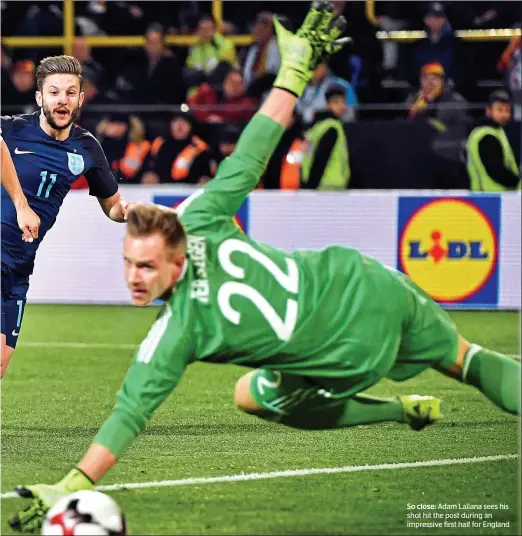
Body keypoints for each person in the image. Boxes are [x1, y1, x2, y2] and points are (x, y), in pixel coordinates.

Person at [9, 3, 520, 532]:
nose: (135, 277)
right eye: (129, 265)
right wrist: (294, 71)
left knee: (251, 394)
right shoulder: (200, 216)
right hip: (365, 280)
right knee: (468, 358)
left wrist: (71, 484)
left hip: (347, 354)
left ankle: (393, 410)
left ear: (177, 260)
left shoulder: (179, 329)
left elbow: (127, 417)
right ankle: (411, 406)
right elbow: (254, 148)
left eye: (147, 266)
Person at [1, 55, 132, 379]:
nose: (62, 100)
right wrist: (21, 204)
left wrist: (127, 212)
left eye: (70, 92)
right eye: (54, 92)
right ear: (39, 97)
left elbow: (112, 206)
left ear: (80, 99)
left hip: (19, 269)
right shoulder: (12, 129)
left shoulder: (86, 148)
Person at [466, 90, 521, 192]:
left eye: (507, 110)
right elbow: (496, 170)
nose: (505, 114)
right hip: (491, 195)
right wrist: (516, 182)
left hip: (494, 194)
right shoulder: (486, 136)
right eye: (500, 110)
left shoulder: (496, 131)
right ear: (488, 111)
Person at [300, 85, 350, 190]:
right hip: (329, 186)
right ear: (328, 105)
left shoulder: (318, 126)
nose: (341, 106)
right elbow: (320, 158)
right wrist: (312, 186)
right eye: (336, 102)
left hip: (319, 185)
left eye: (343, 102)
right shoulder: (331, 128)